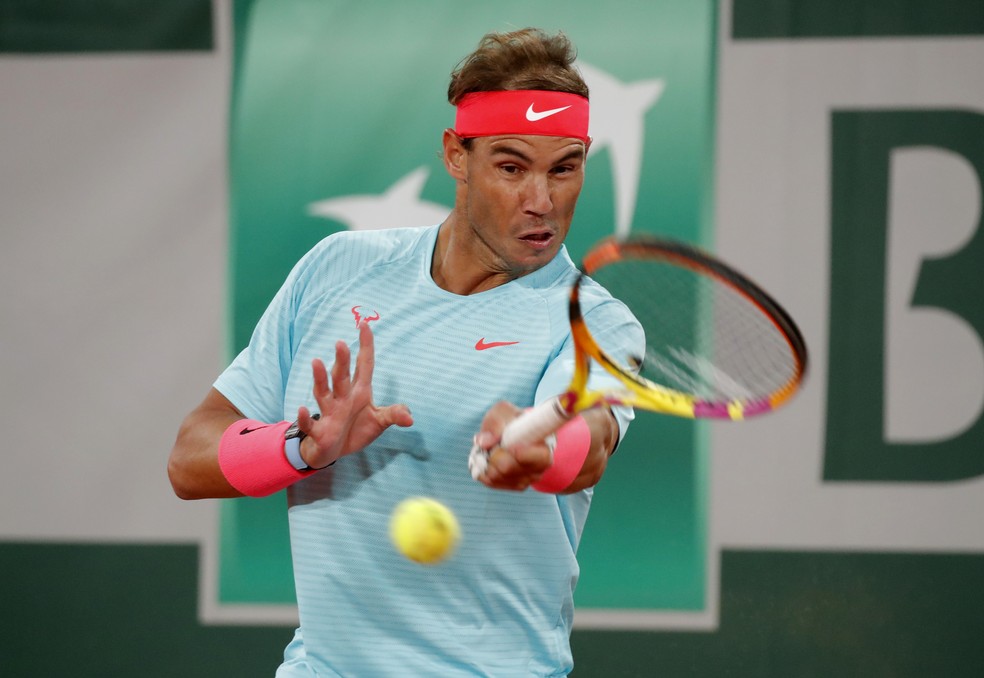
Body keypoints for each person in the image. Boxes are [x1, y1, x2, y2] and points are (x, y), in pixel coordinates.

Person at [168, 27, 644, 677]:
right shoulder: (338, 267)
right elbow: (190, 459)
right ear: (456, 156)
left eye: (565, 168)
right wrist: (302, 448)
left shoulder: (598, 324)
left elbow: (588, 445)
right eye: (511, 166)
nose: (543, 201)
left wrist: (539, 448)